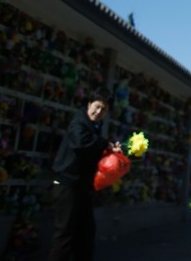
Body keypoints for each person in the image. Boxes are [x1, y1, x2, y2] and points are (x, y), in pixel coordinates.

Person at [48, 87, 122, 261]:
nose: (98, 112)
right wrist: (105, 145)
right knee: (64, 236)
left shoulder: (94, 127)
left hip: (81, 187)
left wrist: (111, 152)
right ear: (89, 104)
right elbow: (82, 144)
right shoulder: (79, 123)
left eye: (103, 109)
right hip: (67, 186)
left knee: (86, 233)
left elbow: (93, 150)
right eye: (96, 106)